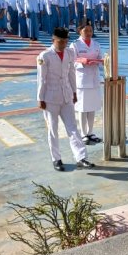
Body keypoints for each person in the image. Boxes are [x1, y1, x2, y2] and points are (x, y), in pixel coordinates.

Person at [37, 27, 95, 171]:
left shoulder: (69, 53)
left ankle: (81, 157)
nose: (63, 44)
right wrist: (40, 98)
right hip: (50, 97)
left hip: (66, 95)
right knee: (53, 129)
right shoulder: (45, 56)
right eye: (60, 41)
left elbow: (71, 74)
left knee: (73, 128)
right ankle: (56, 159)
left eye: (65, 41)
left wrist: (74, 92)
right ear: (53, 40)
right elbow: (41, 79)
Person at [70, 21, 104, 145]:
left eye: (90, 30)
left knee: (92, 108)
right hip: (82, 80)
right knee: (82, 108)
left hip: (94, 79)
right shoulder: (75, 45)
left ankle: (90, 132)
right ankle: (83, 133)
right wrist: (82, 62)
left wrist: (101, 61)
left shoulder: (96, 44)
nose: (89, 33)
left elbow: (101, 58)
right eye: (86, 31)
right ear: (80, 31)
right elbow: (71, 61)